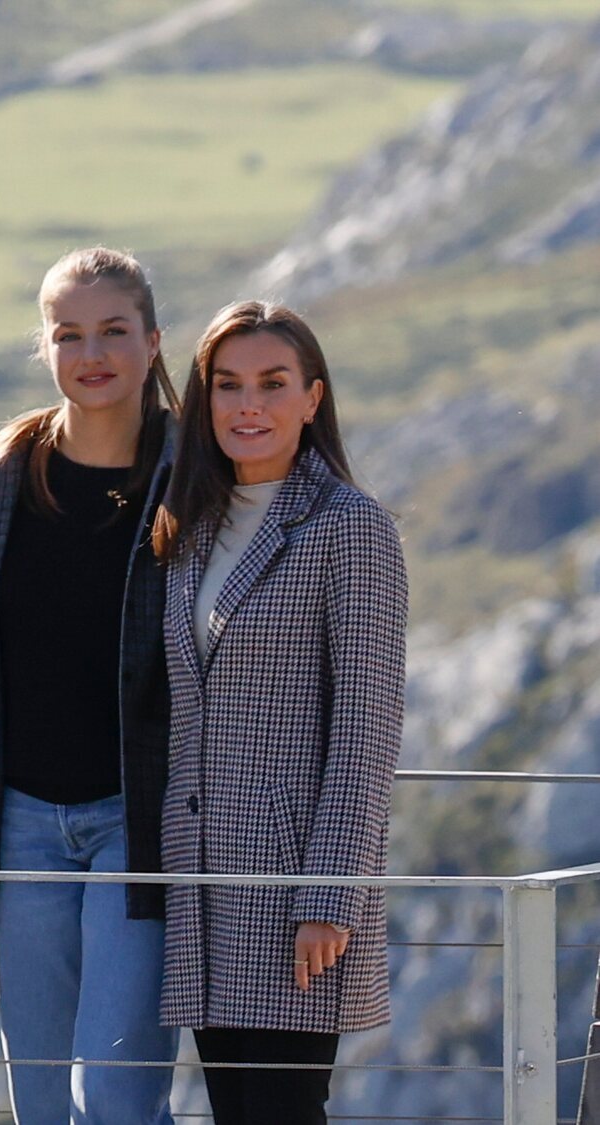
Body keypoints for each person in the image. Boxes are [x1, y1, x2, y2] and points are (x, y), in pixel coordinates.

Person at [152, 301, 407, 1125]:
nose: (247, 404)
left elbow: (368, 726)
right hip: (200, 881)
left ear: (312, 398)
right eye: (227, 385)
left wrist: (329, 894)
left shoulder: (351, 527)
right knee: (239, 1109)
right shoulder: (191, 527)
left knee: (282, 1110)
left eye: (271, 384)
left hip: (293, 887)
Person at [0, 246, 180, 1125]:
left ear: (153, 342)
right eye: (69, 333)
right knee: (43, 1101)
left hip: (140, 821)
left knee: (117, 1099)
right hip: (19, 824)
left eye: (114, 330)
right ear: (44, 348)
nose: (93, 352)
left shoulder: (196, 481)